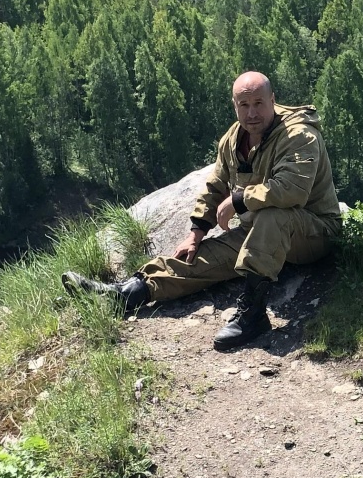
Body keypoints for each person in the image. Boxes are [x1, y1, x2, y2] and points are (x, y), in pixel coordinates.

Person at [64, 71, 341, 351]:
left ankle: (253, 315)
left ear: (273, 100)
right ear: (235, 106)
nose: (252, 112)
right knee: (199, 256)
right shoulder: (234, 140)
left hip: (313, 232)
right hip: (260, 233)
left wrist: (238, 199)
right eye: (244, 105)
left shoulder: (299, 135)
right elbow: (215, 185)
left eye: (259, 103)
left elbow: (292, 190)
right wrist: (197, 232)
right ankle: (126, 294)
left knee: (273, 216)